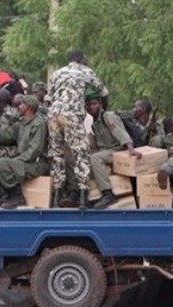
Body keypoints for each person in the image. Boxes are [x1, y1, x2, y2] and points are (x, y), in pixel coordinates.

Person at [48, 50, 110, 209]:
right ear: (82, 59)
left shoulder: (57, 73)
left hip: (54, 114)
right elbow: (103, 92)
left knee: (57, 155)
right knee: (80, 153)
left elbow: (49, 98)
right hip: (72, 114)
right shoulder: (85, 71)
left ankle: (56, 198)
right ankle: (83, 197)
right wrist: (104, 109)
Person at [0, 95, 48, 209]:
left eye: (22, 104)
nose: (19, 106)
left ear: (28, 107)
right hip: (23, 161)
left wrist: (15, 161)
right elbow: (6, 135)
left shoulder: (38, 124)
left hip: (36, 164)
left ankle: (17, 196)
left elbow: (34, 150)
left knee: (3, 163)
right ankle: (4, 194)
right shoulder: (21, 123)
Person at [87, 91, 142, 209]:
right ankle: (89, 196)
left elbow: (120, 132)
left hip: (118, 150)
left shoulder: (108, 117)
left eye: (94, 103)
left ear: (100, 104)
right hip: (106, 152)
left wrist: (131, 149)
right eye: (89, 105)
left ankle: (107, 193)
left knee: (95, 158)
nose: (92, 107)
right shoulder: (95, 123)